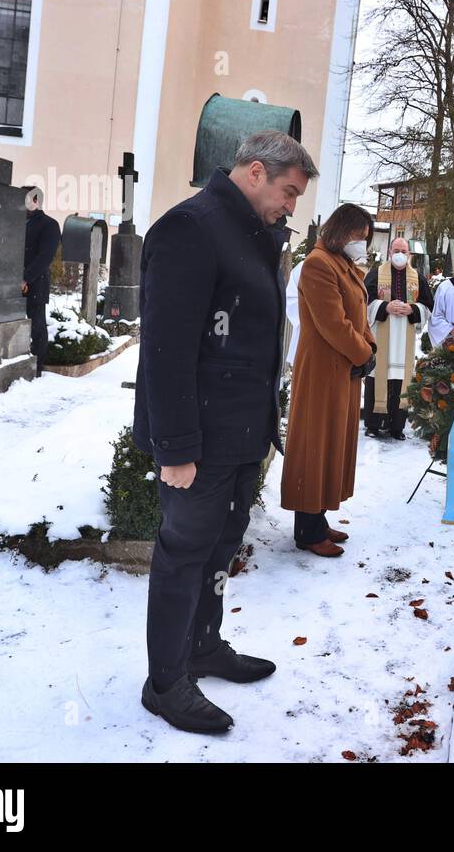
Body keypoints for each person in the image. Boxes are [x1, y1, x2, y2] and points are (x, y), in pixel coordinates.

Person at [133, 130, 315, 734]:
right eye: (289, 192)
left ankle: (204, 646)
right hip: (199, 442)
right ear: (256, 172)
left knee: (217, 551)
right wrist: (177, 447)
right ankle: (165, 682)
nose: (292, 206)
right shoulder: (192, 227)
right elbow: (166, 349)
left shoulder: (251, 234)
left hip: (239, 437)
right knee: (183, 555)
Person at [280, 203, 377, 558]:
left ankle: (318, 520)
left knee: (332, 443)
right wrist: (363, 354)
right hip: (323, 368)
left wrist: (368, 346)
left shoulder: (343, 264)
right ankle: (306, 530)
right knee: (315, 444)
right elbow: (332, 323)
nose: (361, 244)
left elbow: (359, 313)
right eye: (358, 236)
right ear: (341, 231)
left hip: (343, 366)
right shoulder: (319, 264)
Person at [363, 237, 432, 439]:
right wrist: (385, 306)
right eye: (396, 250)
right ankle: (373, 425)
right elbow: (363, 301)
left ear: (409, 254)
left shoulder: (418, 278)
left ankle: (396, 427)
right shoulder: (376, 273)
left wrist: (413, 308)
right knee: (378, 378)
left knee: (399, 381)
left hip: (404, 339)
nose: (400, 254)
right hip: (381, 335)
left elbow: (429, 306)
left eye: (404, 251)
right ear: (390, 252)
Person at [22, 187, 61, 375]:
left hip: (34, 283)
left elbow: (45, 257)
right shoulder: (16, 222)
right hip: (11, 282)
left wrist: (25, 278)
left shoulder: (49, 225)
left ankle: (37, 368)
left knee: (36, 326)